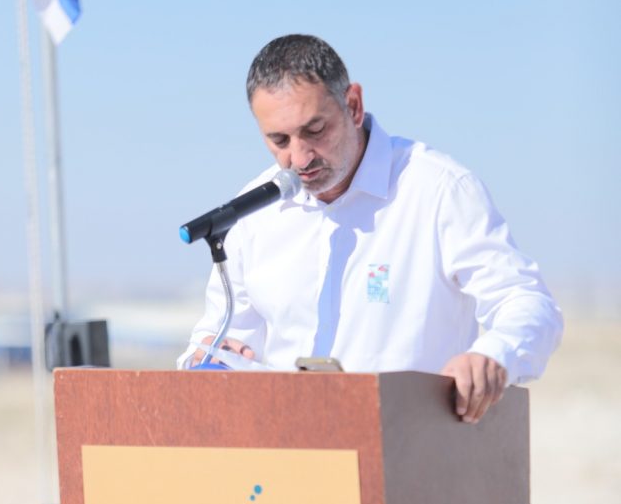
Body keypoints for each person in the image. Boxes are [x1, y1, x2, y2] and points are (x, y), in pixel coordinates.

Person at [179, 34, 562, 424]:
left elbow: (527, 302)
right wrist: (209, 359)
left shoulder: (439, 189)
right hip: (286, 447)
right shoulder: (253, 214)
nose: (299, 158)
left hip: (413, 444)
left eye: (315, 130)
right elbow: (215, 341)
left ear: (353, 105)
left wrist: (493, 356)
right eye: (279, 140)